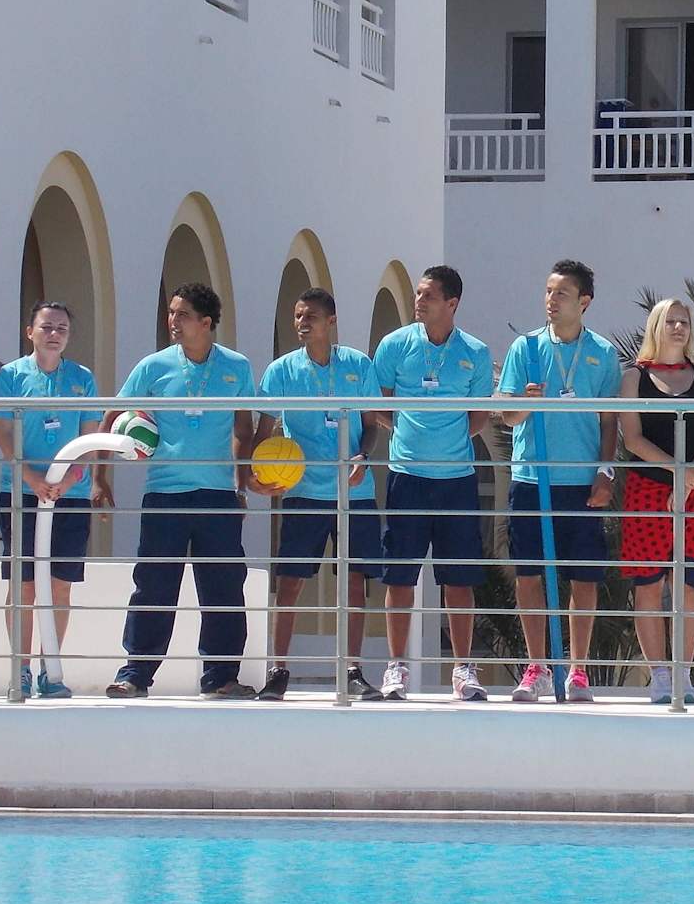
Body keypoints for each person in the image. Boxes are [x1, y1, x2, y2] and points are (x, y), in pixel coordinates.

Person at [99, 283, 257, 699]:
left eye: (182, 314)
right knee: (153, 585)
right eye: (171, 313)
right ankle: (135, 674)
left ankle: (221, 677)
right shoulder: (153, 366)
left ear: (205, 323)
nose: (172, 321)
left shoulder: (237, 367)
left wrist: (241, 484)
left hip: (217, 495)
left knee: (224, 587)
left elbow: (244, 428)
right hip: (164, 493)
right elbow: (113, 414)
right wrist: (100, 477)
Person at [251, 287, 389, 702]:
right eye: (297, 316)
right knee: (290, 582)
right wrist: (255, 475)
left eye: (310, 315)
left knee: (354, 583)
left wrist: (363, 456)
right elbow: (263, 432)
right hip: (303, 492)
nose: (302, 323)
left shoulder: (358, 365)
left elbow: (372, 424)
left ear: (331, 321)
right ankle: (278, 670)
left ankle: (353, 671)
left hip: (354, 493)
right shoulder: (280, 371)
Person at [495, 259, 620, 704]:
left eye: (561, 293)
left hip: (581, 481)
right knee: (529, 574)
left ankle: (578, 670)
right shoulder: (526, 348)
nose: (551, 300)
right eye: (548, 292)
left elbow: (610, 421)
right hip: (533, 477)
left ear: (584, 301)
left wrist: (605, 472)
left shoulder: (602, 353)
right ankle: (537, 668)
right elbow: (506, 414)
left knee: (584, 578)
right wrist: (525, 403)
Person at [372, 265, 495, 702]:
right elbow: (378, 404)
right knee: (400, 576)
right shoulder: (395, 344)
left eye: (428, 295)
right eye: (418, 294)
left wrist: (448, 440)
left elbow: (479, 416)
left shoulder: (475, 352)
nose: (419, 301)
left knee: (458, 579)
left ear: (452, 303)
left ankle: (463, 669)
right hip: (406, 477)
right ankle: (396, 667)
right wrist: (409, 433)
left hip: (457, 480)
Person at [0, 302, 103, 701]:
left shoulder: (82, 378)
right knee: (23, 586)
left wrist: (70, 478)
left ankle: (49, 669)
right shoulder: (11, 375)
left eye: (62, 329)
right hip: (21, 492)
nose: (54, 334)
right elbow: (3, 433)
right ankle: (19, 669)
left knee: (60, 587)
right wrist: (31, 477)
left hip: (70, 496)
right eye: (47, 327)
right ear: (30, 332)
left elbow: (90, 437)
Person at [618, 298, 694, 705]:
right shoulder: (634, 377)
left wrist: (691, 475)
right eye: (671, 321)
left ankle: (682, 673)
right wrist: (677, 472)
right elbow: (633, 438)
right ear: (656, 326)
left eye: (684, 321)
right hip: (647, 490)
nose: (679, 327)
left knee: (687, 587)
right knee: (648, 585)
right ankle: (659, 676)